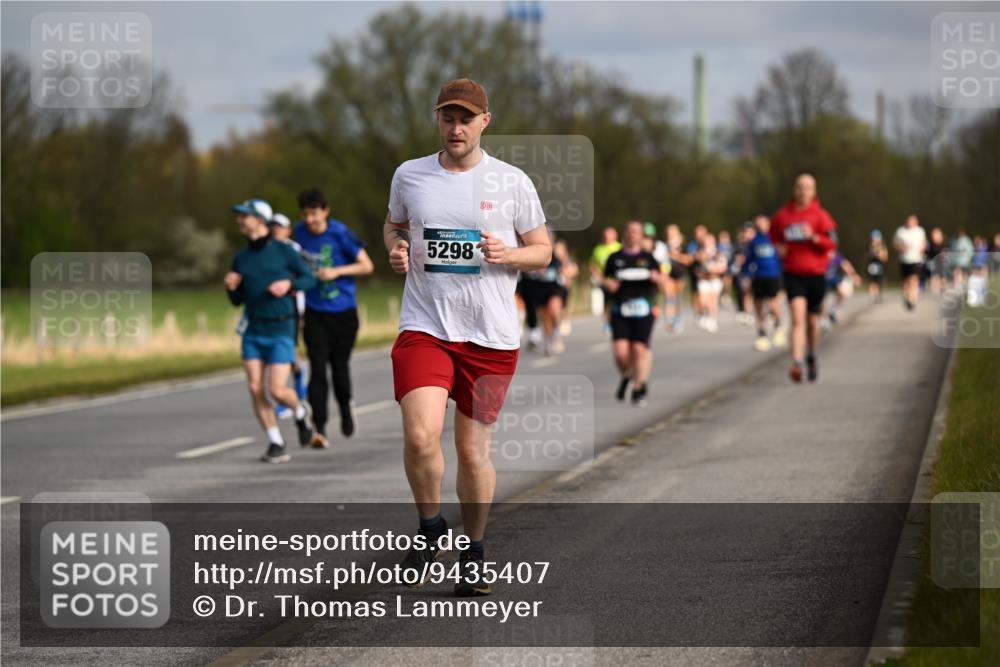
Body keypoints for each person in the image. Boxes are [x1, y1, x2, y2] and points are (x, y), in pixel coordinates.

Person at [384, 78, 550, 597]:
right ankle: (431, 527)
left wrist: (510, 254)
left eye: (466, 119)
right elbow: (394, 225)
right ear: (438, 119)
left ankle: (474, 551)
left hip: (490, 336)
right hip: (426, 326)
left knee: (472, 452)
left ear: (485, 122)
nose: (456, 128)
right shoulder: (410, 175)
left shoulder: (512, 181)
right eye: (448, 118)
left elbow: (542, 250)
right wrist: (396, 248)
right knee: (420, 435)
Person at [225, 198, 317, 463]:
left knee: (277, 390)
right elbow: (237, 300)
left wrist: (288, 285)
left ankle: (300, 411)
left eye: (245, 215)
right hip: (253, 329)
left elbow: (309, 278)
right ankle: (276, 441)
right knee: (255, 387)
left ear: (260, 220)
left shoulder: (283, 251)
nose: (240, 220)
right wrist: (231, 287)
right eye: (239, 215)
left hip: (281, 328)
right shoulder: (240, 258)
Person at [294, 188, 374, 447]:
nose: (310, 219)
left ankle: (346, 407)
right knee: (317, 369)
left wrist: (336, 272)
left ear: (325, 211)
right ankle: (319, 428)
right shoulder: (298, 234)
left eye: (314, 213)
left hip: (343, 312)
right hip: (314, 312)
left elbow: (367, 265)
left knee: (339, 366)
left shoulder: (340, 232)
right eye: (305, 214)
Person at [769, 174, 838, 383]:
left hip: (816, 274)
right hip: (793, 274)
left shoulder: (821, 215)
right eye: (800, 187)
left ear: (814, 191)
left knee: (812, 321)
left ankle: (812, 355)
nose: (803, 191)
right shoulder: (783, 215)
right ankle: (796, 362)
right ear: (794, 189)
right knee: (797, 319)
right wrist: (778, 247)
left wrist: (814, 237)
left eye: (808, 187)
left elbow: (832, 243)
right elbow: (773, 236)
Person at [604, 221, 665, 406]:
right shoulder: (615, 258)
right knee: (620, 352)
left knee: (639, 349)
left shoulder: (649, 258)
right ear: (625, 234)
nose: (632, 234)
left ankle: (639, 387)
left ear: (641, 236)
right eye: (629, 231)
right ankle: (629, 374)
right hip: (620, 308)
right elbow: (605, 280)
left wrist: (658, 279)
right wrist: (608, 285)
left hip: (644, 308)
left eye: (636, 232)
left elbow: (662, 283)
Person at [268, 212, 309, 420]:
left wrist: (300, 310)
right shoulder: (265, 250)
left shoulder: (294, 250)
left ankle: (293, 393)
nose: (275, 230)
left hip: (292, 309)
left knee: (287, 354)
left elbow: (304, 279)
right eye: (272, 226)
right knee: (280, 354)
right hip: (271, 311)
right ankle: (292, 392)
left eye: (279, 227)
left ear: (288, 230)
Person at [746, 215, 785, 351]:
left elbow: (782, 257)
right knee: (758, 305)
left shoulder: (775, 238)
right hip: (758, 276)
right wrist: (746, 275)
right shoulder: (754, 241)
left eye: (763, 223)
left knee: (773, 302)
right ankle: (761, 333)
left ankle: (778, 327)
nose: (760, 225)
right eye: (758, 223)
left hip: (773, 275)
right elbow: (749, 260)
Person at [693, 234, 728, 333]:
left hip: (715, 280)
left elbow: (723, 268)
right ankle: (705, 315)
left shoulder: (718, 254)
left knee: (713, 301)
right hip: (704, 280)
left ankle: (712, 319)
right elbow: (696, 268)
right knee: (703, 300)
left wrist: (712, 269)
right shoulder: (700, 253)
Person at [893, 214, 927, 311]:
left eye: (913, 221)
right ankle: (906, 296)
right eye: (910, 221)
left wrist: (922, 249)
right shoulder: (900, 231)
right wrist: (902, 247)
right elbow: (895, 244)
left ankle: (913, 300)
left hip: (916, 259)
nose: (911, 223)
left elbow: (923, 243)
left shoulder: (920, 231)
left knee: (914, 279)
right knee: (906, 280)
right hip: (904, 259)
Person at [588, 227, 621, 324]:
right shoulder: (598, 249)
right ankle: (608, 323)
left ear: (615, 236)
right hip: (604, 281)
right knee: (607, 304)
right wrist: (603, 279)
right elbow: (593, 266)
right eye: (605, 235)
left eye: (609, 234)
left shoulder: (620, 247)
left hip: (618, 281)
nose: (607, 237)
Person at [824, 250, 862, 326]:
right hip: (821, 278)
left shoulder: (835, 255)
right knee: (821, 300)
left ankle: (832, 311)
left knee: (843, 292)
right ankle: (823, 320)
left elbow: (845, 264)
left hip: (833, 278)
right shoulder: (819, 253)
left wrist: (853, 275)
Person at [664, 224, 691, 332]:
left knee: (678, 298)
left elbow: (688, 260)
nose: (670, 234)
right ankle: (670, 320)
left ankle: (678, 319)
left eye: (673, 232)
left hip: (679, 273)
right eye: (669, 232)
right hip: (668, 274)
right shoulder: (664, 245)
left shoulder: (683, 245)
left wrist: (676, 256)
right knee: (669, 297)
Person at [865, 230, 888, 303]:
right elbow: (867, 257)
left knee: (878, 281)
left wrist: (879, 252)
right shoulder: (869, 246)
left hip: (879, 266)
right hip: (871, 266)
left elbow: (885, 258)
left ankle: (877, 295)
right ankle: (871, 296)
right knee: (872, 282)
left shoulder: (882, 247)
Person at [924, 227, 947, 296]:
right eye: (934, 235)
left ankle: (942, 289)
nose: (935, 236)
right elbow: (926, 253)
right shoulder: (930, 244)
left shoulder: (943, 244)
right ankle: (935, 292)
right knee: (934, 277)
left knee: (942, 277)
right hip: (933, 263)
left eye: (937, 235)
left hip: (941, 263)